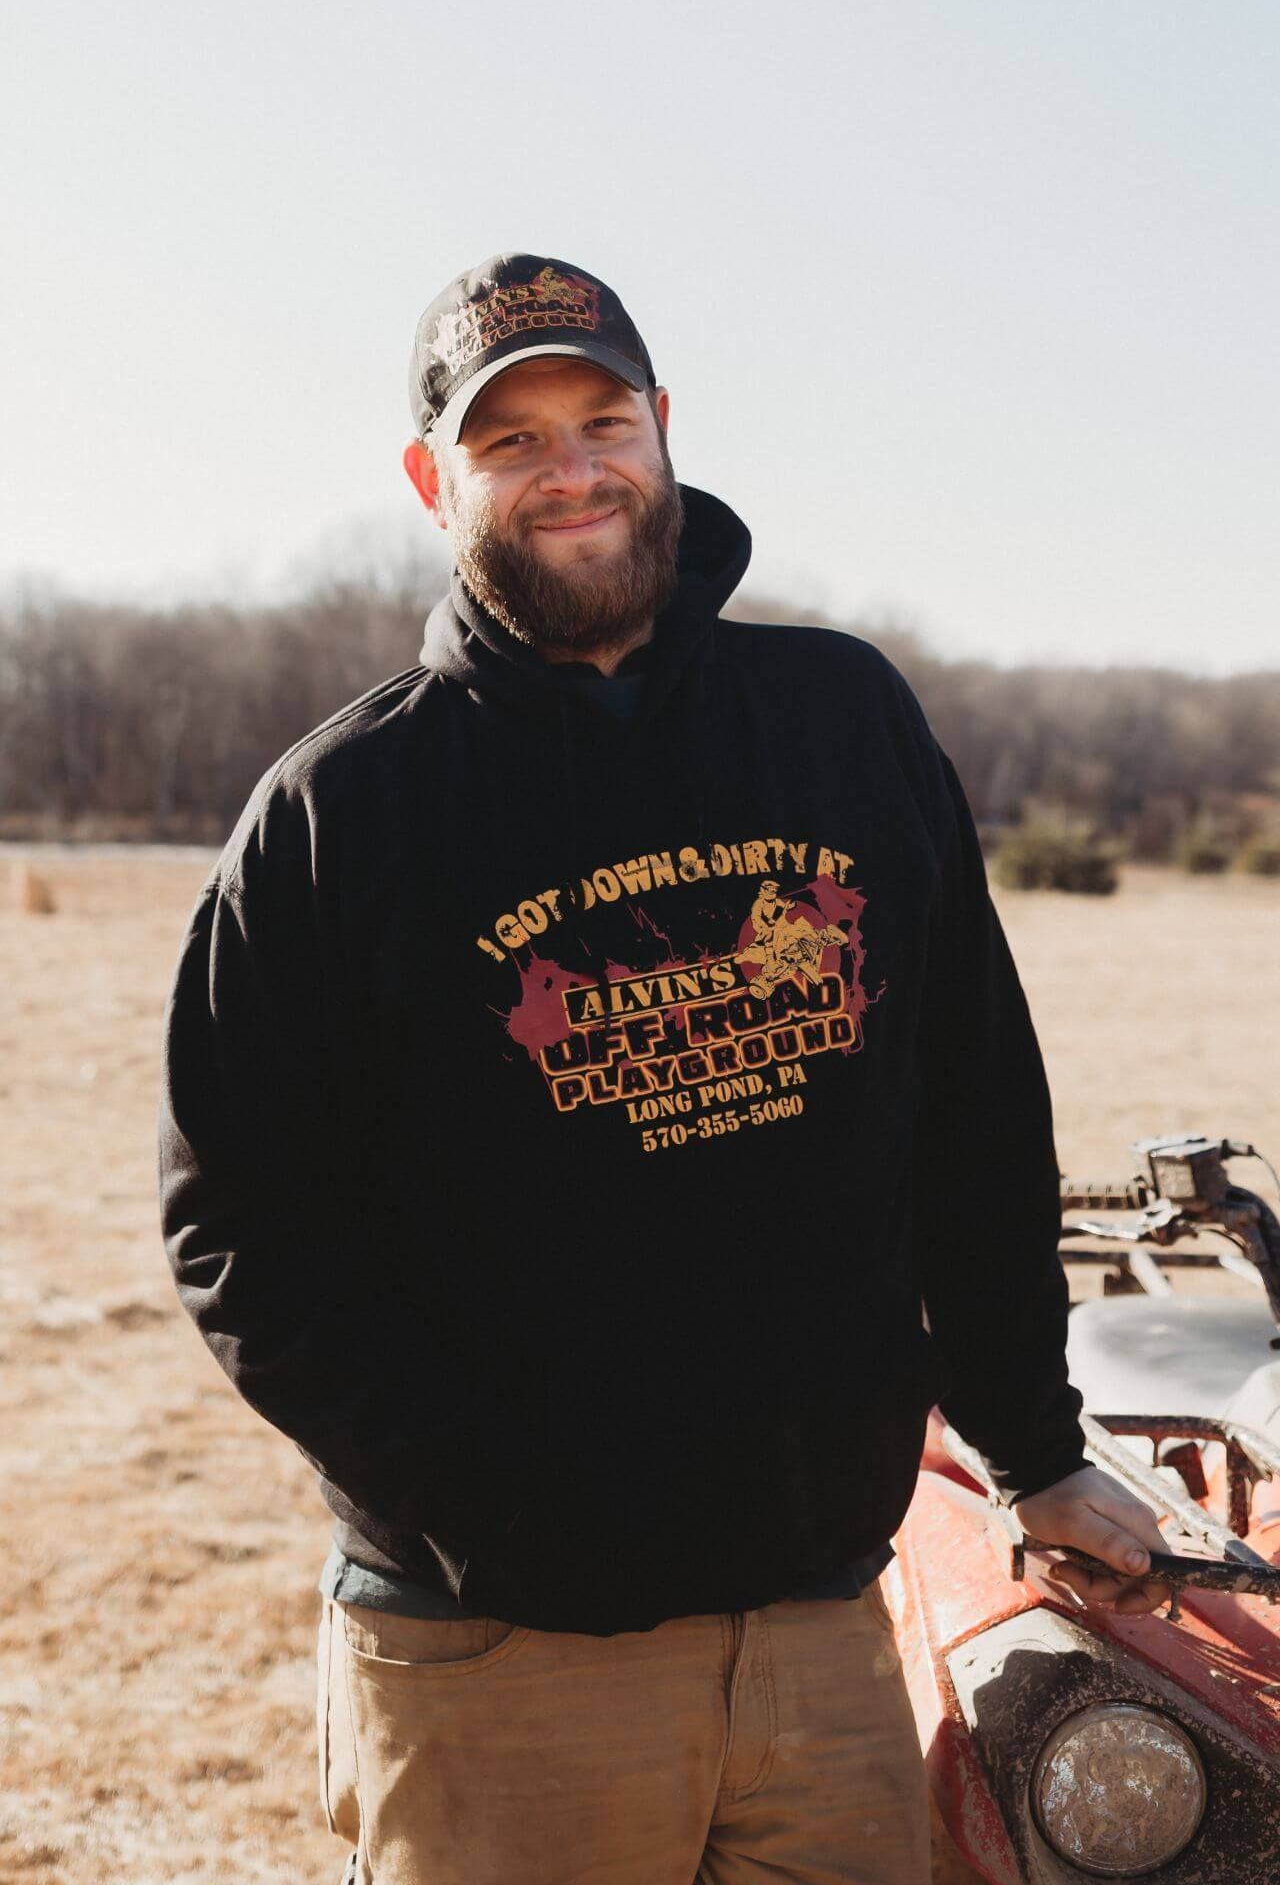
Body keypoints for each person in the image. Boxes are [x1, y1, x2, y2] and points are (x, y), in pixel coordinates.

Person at [158, 252, 1168, 1885]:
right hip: (505, 1658)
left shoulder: (842, 721)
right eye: (511, 441)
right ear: (434, 482)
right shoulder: (343, 815)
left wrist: (1030, 1443)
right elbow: (241, 1232)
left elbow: (972, 1113)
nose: (571, 469)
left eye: (601, 418)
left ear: (663, 431)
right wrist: (485, 1512)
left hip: (822, 1628)